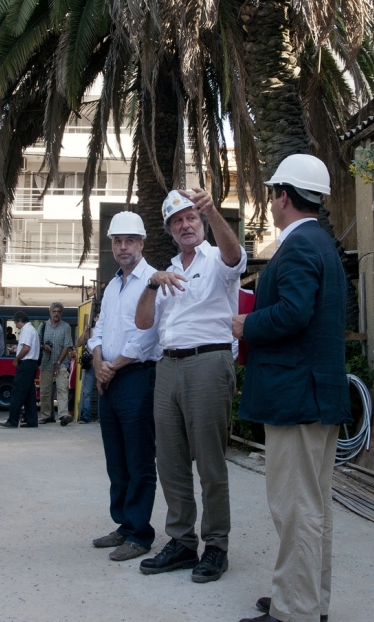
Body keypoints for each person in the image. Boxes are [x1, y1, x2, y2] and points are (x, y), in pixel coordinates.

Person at [231, 155, 350, 622]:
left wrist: (248, 324)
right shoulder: (323, 244)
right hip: (317, 395)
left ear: (283, 196)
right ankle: (306, 602)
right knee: (312, 508)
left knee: (295, 509)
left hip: (296, 397)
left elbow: (294, 312)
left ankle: (293, 611)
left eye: (272, 193)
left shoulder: (299, 246)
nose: (271, 201)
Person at [134, 188, 246, 583]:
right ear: (169, 230)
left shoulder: (217, 258)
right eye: (177, 221)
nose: (185, 225)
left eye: (191, 218)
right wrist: (152, 284)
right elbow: (144, 323)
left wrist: (212, 210)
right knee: (170, 461)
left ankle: (216, 545)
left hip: (208, 361)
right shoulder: (165, 272)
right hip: (168, 365)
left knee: (210, 462)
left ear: (202, 222)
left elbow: (235, 256)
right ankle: (182, 542)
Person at [87, 211, 161, 562]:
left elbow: (147, 335)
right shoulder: (112, 286)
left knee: (139, 459)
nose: (123, 247)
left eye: (130, 240)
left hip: (137, 378)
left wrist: (112, 367)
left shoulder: (153, 281)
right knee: (116, 459)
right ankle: (124, 524)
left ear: (142, 243)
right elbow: (98, 330)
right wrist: (98, 362)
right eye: (117, 241)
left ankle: (140, 534)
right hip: (109, 379)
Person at [1, 312, 40, 428]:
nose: (16, 326)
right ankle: (32, 420)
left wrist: (16, 359)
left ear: (19, 321)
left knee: (17, 393)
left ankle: (12, 420)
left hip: (25, 364)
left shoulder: (26, 330)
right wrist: (17, 348)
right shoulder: (32, 329)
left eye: (15, 323)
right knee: (29, 395)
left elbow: (26, 348)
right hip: (32, 364)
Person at [38, 302, 75, 425]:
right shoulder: (43, 326)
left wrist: (58, 362)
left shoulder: (66, 327)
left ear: (62, 313)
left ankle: (63, 415)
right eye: (54, 311)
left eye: (59, 312)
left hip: (61, 364)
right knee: (45, 391)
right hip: (45, 363)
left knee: (62, 389)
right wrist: (44, 347)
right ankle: (46, 415)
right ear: (50, 312)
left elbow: (67, 346)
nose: (56, 314)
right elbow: (37, 342)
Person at [76, 310, 99, 423]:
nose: (100, 319)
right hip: (90, 364)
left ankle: (101, 416)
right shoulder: (91, 331)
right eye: (98, 317)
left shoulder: (108, 331)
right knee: (87, 392)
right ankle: (86, 415)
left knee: (103, 391)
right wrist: (85, 331)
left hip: (102, 364)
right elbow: (78, 343)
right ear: (94, 318)